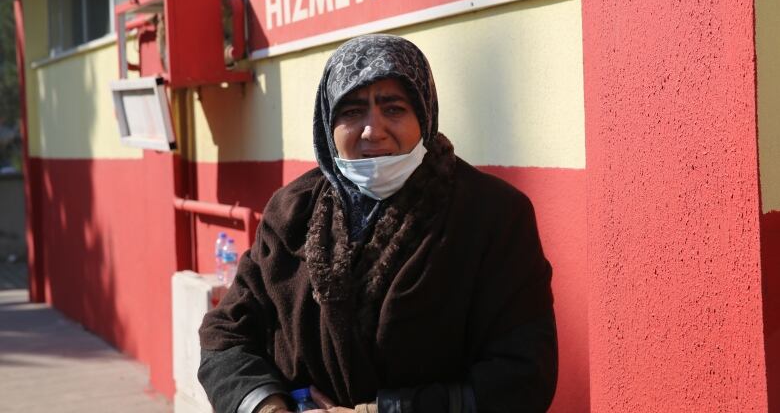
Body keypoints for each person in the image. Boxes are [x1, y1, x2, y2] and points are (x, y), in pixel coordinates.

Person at [198, 34, 558, 413]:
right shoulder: (290, 212)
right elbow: (226, 333)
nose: (373, 130)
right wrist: (268, 407)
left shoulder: (492, 215)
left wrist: (383, 411)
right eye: (352, 111)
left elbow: (524, 374)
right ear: (328, 124)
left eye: (394, 109)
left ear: (424, 115)